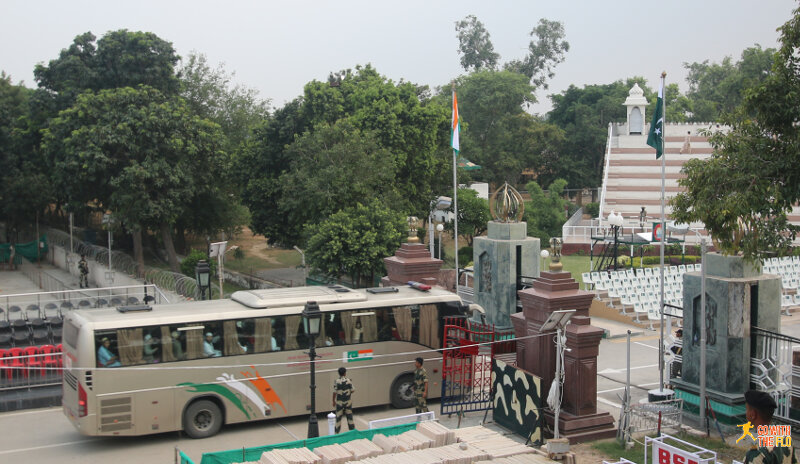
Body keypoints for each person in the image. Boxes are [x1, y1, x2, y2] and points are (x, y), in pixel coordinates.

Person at [742, 390, 797, 463]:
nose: (746, 413)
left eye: (747, 409)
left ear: (752, 415)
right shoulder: (785, 436)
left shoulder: (757, 453)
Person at [332, 367, 355, 433]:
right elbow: (353, 390)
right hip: (348, 402)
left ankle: (336, 433)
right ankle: (352, 433)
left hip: (339, 403)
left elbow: (334, 392)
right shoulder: (348, 380)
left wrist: (333, 401)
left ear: (339, 373)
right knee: (350, 418)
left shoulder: (336, 381)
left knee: (338, 419)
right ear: (345, 373)